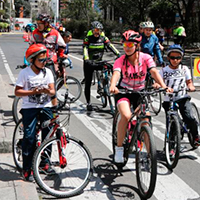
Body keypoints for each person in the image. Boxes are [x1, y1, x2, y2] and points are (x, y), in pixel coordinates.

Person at [109, 30, 170, 163]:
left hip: (140, 92)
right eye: (124, 45)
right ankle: (119, 149)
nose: (127, 47)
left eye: (130, 45)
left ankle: (150, 156)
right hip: (123, 92)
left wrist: (163, 85)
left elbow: (153, 72)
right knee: (125, 116)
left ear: (137, 45)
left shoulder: (145, 58)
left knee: (145, 120)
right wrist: (113, 85)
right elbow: (116, 73)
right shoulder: (120, 60)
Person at [15, 44, 55, 181]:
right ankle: (27, 168)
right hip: (29, 108)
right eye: (41, 60)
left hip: (45, 105)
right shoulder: (25, 73)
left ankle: (45, 162)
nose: (44, 62)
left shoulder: (48, 72)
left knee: (49, 134)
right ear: (32, 59)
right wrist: (33, 92)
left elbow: (53, 91)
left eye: (45, 60)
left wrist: (46, 91)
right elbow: (17, 91)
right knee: (29, 137)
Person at [159, 44, 200, 147]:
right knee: (173, 123)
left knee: (190, 117)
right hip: (169, 100)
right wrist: (157, 85)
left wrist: (190, 86)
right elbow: (159, 82)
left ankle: (195, 136)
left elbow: (189, 82)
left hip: (183, 98)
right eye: (172, 57)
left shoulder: (184, 69)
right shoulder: (164, 71)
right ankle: (171, 146)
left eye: (178, 58)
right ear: (168, 58)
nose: (175, 60)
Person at [83, 20, 120, 111]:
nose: (97, 32)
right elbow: (85, 49)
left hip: (99, 61)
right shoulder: (88, 39)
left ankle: (106, 84)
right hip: (90, 63)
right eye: (95, 30)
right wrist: (86, 59)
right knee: (88, 82)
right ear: (92, 30)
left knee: (110, 68)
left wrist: (118, 54)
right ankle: (88, 102)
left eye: (99, 30)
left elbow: (110, 46)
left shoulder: (104, 38)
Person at [30, 13, 66, 106]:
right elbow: (31, 46)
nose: (38, 26)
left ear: (46, 24)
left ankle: (54, 107)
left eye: (40, 24)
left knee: (51, 85)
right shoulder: (35, 33)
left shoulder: (55, 33)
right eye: (37, 23)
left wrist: (60, 56)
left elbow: (62, 45)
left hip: (50, 62)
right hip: (37, 62)